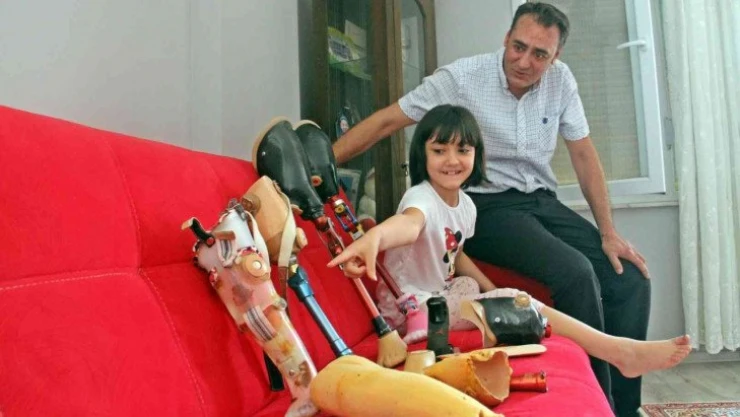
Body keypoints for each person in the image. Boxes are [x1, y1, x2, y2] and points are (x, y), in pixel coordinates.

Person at [331, 3, 652, 415]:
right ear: (506, 38)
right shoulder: (463, 78)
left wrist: (608, 232)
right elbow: (386, 121)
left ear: (556, 57)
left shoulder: (561, 82)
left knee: (630, 279)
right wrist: (322, 164)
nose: (525, 61)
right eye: (518, 47)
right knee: (575, 273)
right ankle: (598, 405)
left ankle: (626, 408)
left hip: (541, 199)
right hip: (488, 206)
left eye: (540, 54)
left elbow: (584, 154)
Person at [327, 105, 690, 407]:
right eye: (439, 151)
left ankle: (521, 337)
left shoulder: (465, 206)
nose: (452, 161)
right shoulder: (421, 197)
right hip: (410, 311)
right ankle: (619, 352)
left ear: (476, 155)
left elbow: (456, 253)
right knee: (517, 303)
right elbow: (408, 225)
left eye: (463, 150)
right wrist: (375, 237)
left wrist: (491, 289)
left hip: (438, 297)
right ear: (422, 155)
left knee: (495, 296)